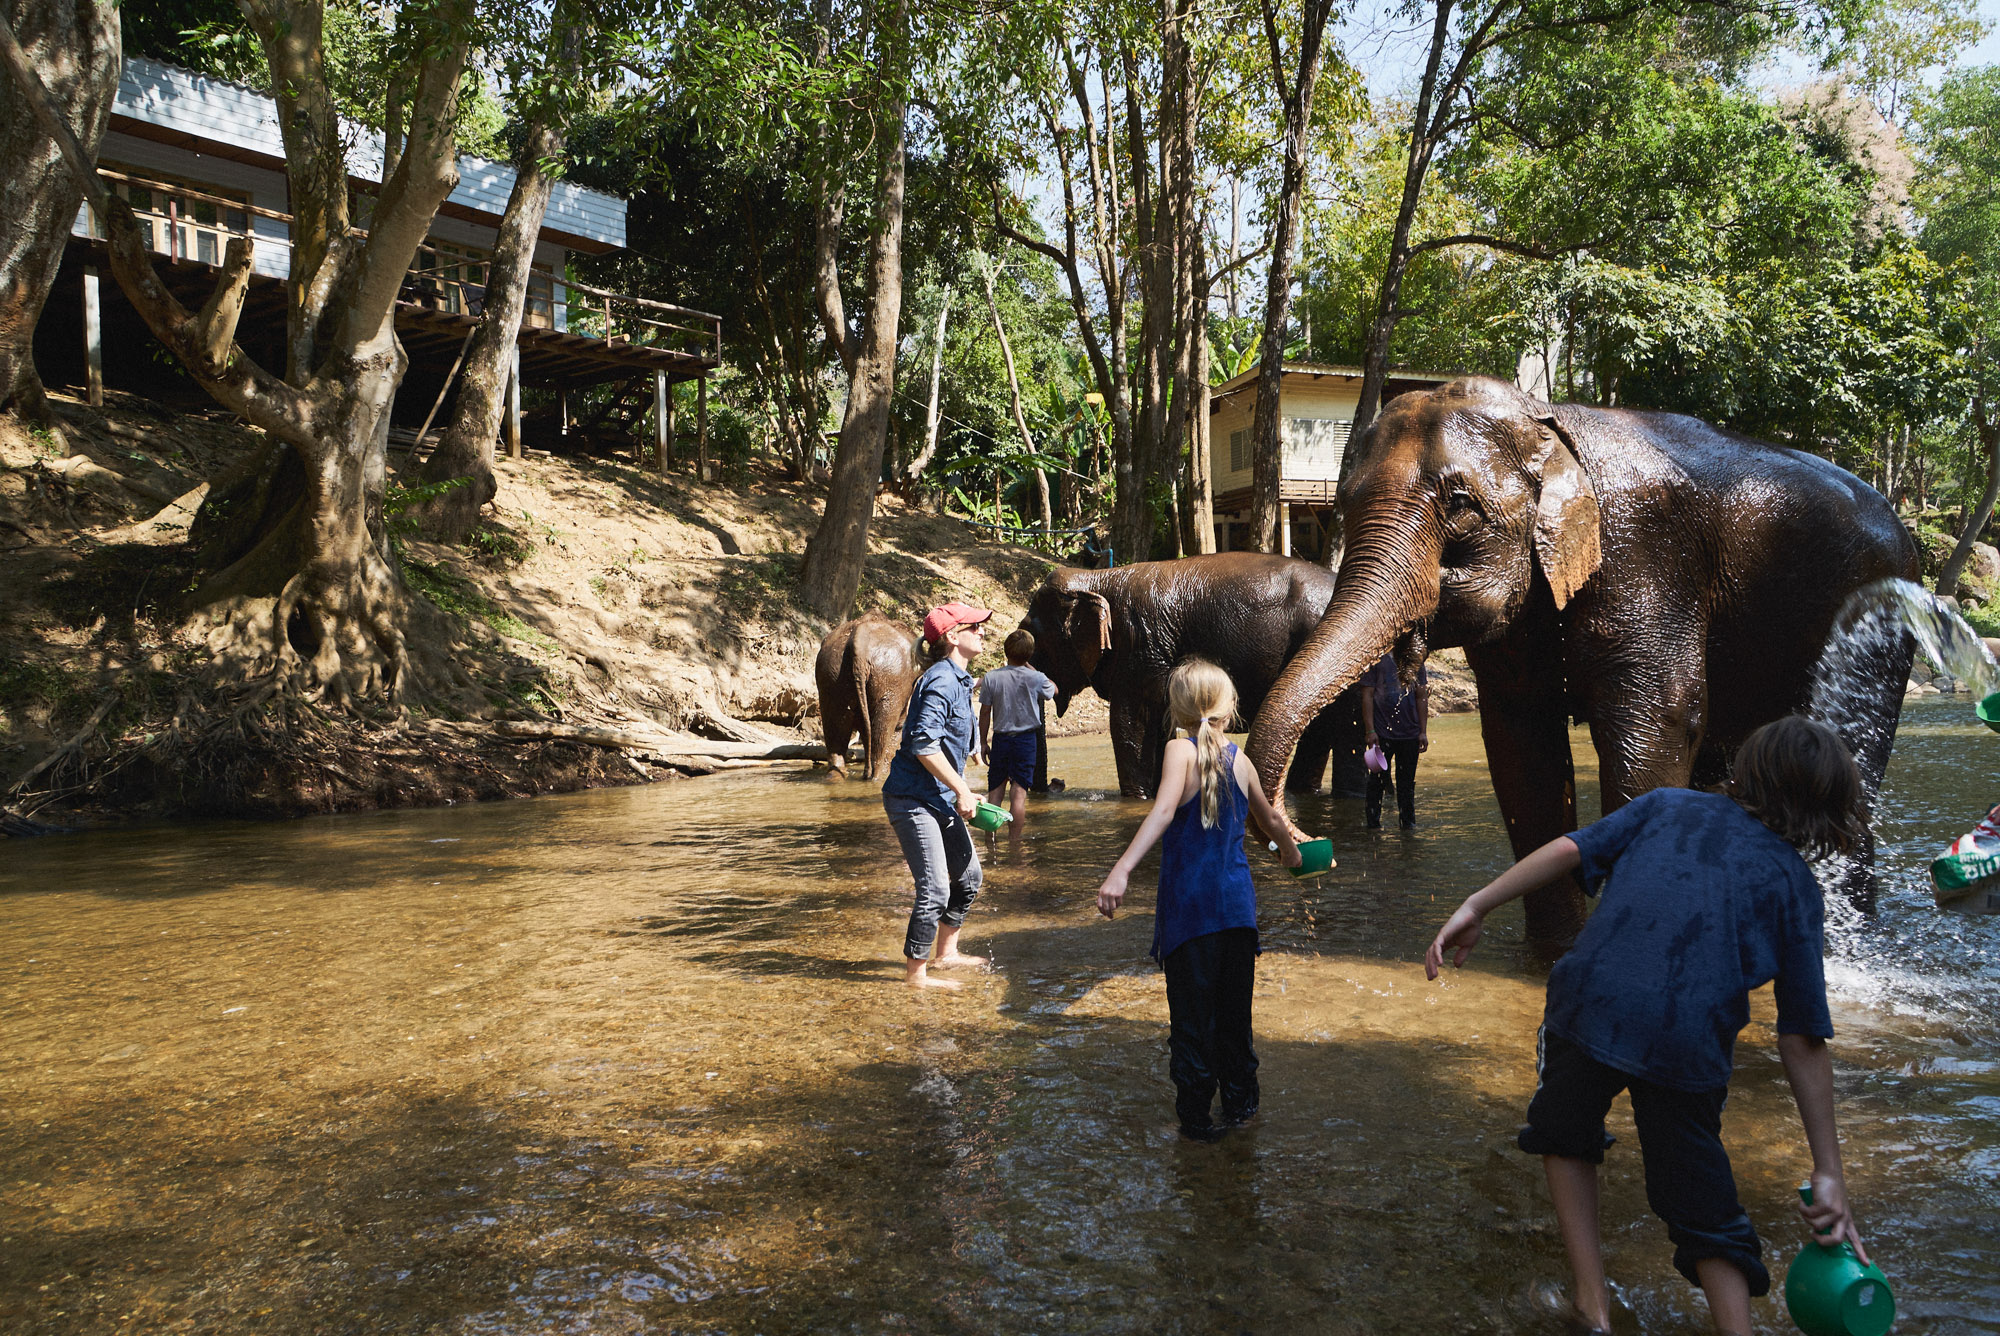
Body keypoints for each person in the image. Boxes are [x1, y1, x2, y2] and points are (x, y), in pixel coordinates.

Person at [1424, 716, 1871, 1336]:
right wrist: (1828, 1171)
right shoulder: (1796, 885)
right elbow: (1801, 1037)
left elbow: (1569, 848)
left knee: (1563, 1130)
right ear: (1829, 808)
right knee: (1701, 1200)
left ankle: (1591, 1306)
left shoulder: (1666, 805)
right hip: (1687, 1040)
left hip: (1589, 1005)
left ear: (1743, 771)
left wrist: (1477, 904)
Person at [1096, 661, 1303, 1140]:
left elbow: (1165, 809)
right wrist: (1292, 855)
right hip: (1237, 913)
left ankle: (1196, 1128)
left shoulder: (1178, 751)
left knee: (1193, 1024)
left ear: (1178, 708)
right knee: (1235, 1023)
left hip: (1191, 915)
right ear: (1229, 707)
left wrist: (1122, 869)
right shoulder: (1242, 760)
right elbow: (1271, 821)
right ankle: (1242, 1117)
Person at [882, 601, 993, 990]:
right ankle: (916, 975)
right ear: (951, 636)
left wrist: (965, 777)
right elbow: (923, 744)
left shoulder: (959, 679)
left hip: (938, 796)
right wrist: (962, 788)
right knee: (935, 887)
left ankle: (946, 953)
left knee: (969, 877)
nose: (982, 631)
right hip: (911, 797)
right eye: (974, 626)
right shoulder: (943, 680)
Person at [980, 629, 1058, 828]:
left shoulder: (991, 678)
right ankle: (1016, 848)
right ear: (1030, 654)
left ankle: (991, 842)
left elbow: (985, 712)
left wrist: (982, 742)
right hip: (1025, 741)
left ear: (1006, 651)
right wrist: (1031, 669)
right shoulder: (1036, 678)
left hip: (1000, 740)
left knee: (995, 795)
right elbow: (1054, 690)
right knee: (1019, 797)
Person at [1360, 651, 1428, 829]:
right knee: (1376, 781)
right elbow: (1367, 694)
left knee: (1406, 784)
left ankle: (1408, 826)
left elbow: (1421, 695)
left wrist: (1423, 732)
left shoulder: (1415, 659)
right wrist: (1370, 731)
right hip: (1381, 735)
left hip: (1410, 734)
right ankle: (1373, 826)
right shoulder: (1376, 659)